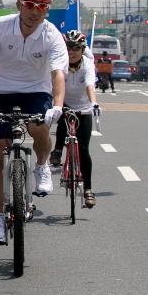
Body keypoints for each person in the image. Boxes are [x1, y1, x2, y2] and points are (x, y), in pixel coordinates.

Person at [0, 0, 67, 246]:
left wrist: (57, 105)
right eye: (30, 5)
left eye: (42, 7)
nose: (35, 12)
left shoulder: (51, 34)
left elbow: (57, 74)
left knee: (39, 128)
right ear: (19, 4)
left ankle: (42, 166)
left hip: (35, 91)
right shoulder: (1, 27)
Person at [51, 29, 99, 209]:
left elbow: (89, 85)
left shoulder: (87, 64)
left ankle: (88, 190)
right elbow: (54, 83)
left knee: (84, 148)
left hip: (84, 107)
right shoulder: (59, 62)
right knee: (62, 113)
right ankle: (57, 151)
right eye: (67, 48)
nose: (71, 52)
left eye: (75, 48)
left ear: (82, 49)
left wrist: (94, 104)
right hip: (63, 102)